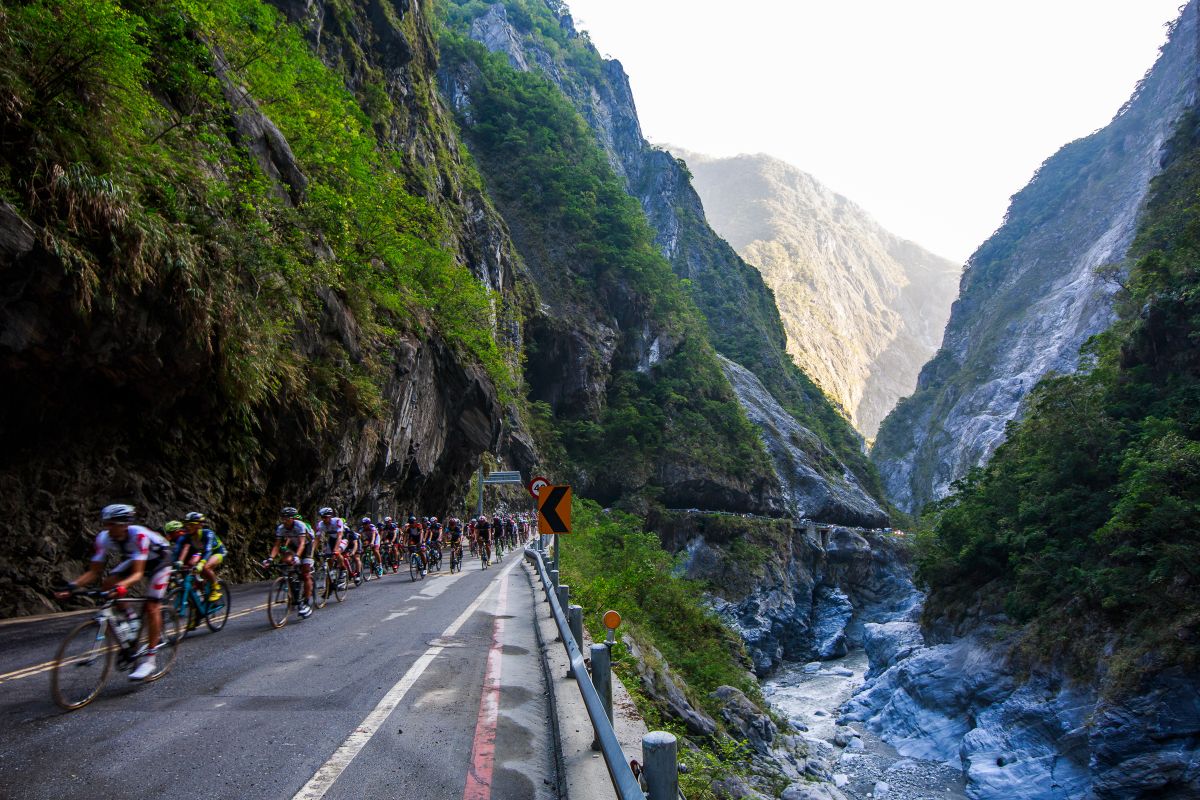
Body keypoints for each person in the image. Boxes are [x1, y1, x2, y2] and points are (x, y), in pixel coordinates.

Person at [56, 504, 172, 681]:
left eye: (112, 524)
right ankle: (130, 617)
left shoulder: (139, 534)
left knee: (152, 606)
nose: (108, 528)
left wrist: (121, 587)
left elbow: (138, 574)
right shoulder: (103, 538)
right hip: (135, 558)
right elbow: (94, 572)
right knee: (107, 583)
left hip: (160, 560)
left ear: (125, 524)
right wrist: (72, 586)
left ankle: (150, 659)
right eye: (106, 524)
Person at [263, 506, 313, 618]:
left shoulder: (300, 525)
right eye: (282, 518)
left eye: (286, 518)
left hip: (306, 546)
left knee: (305, 574)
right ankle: (291, 584)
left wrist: (297, 557)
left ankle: (306, 602)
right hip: (293, 546)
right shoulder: (281, 528)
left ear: (292, 518)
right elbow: (276, 545)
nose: (284, 520)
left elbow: (302, 544)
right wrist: (270, 558)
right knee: (286, 562)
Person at [181, 512, 225, 602]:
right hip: (202, 552)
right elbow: (185, 549)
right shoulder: (188, 536)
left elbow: (209, 550)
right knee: (191, 565)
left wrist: (201, 563)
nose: (188, 527)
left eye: (191, 524)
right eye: (187, 524)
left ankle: (215, 589)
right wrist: (180, 562)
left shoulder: (208, 533)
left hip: (217, 551)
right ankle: (202, 593)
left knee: (205, 567)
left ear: (199, 525)